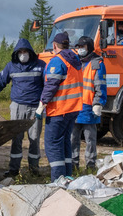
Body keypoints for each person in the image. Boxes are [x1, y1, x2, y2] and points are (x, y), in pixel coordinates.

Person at [0, 38, 46, 176]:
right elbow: (0, 82)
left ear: (30, 52)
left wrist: (43, 105)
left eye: (25, 51)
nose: (23, 54)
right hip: (17, 107)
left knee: (34, 139)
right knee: (16, 138)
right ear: (16, 53)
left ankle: (34, 168)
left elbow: (48, 86)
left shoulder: (41, 65)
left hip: (35, 108)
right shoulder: (11, 66)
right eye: (20, 52)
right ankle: (13, 169)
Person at [38, 32, 83, 181]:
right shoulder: (75, 59)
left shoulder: (58, 61)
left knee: (52, 144)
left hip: (59, 110)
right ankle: (67, 177)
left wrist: (42, 104)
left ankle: (58, 181)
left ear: (55, 45)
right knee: (64, 142)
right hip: (73, 109)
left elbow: (51, 85)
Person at [71, 36, 106, 172]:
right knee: (73, 139)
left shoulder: (97, 63)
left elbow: (101, 86)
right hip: (75, 107)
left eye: (83, 47)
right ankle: (73, 165)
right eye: (78, 47)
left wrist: (98, 103)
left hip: (89, 107)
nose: (80, 50)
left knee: (90, 139)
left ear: (89, 48)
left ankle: (90, 165)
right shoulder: (75, 62)